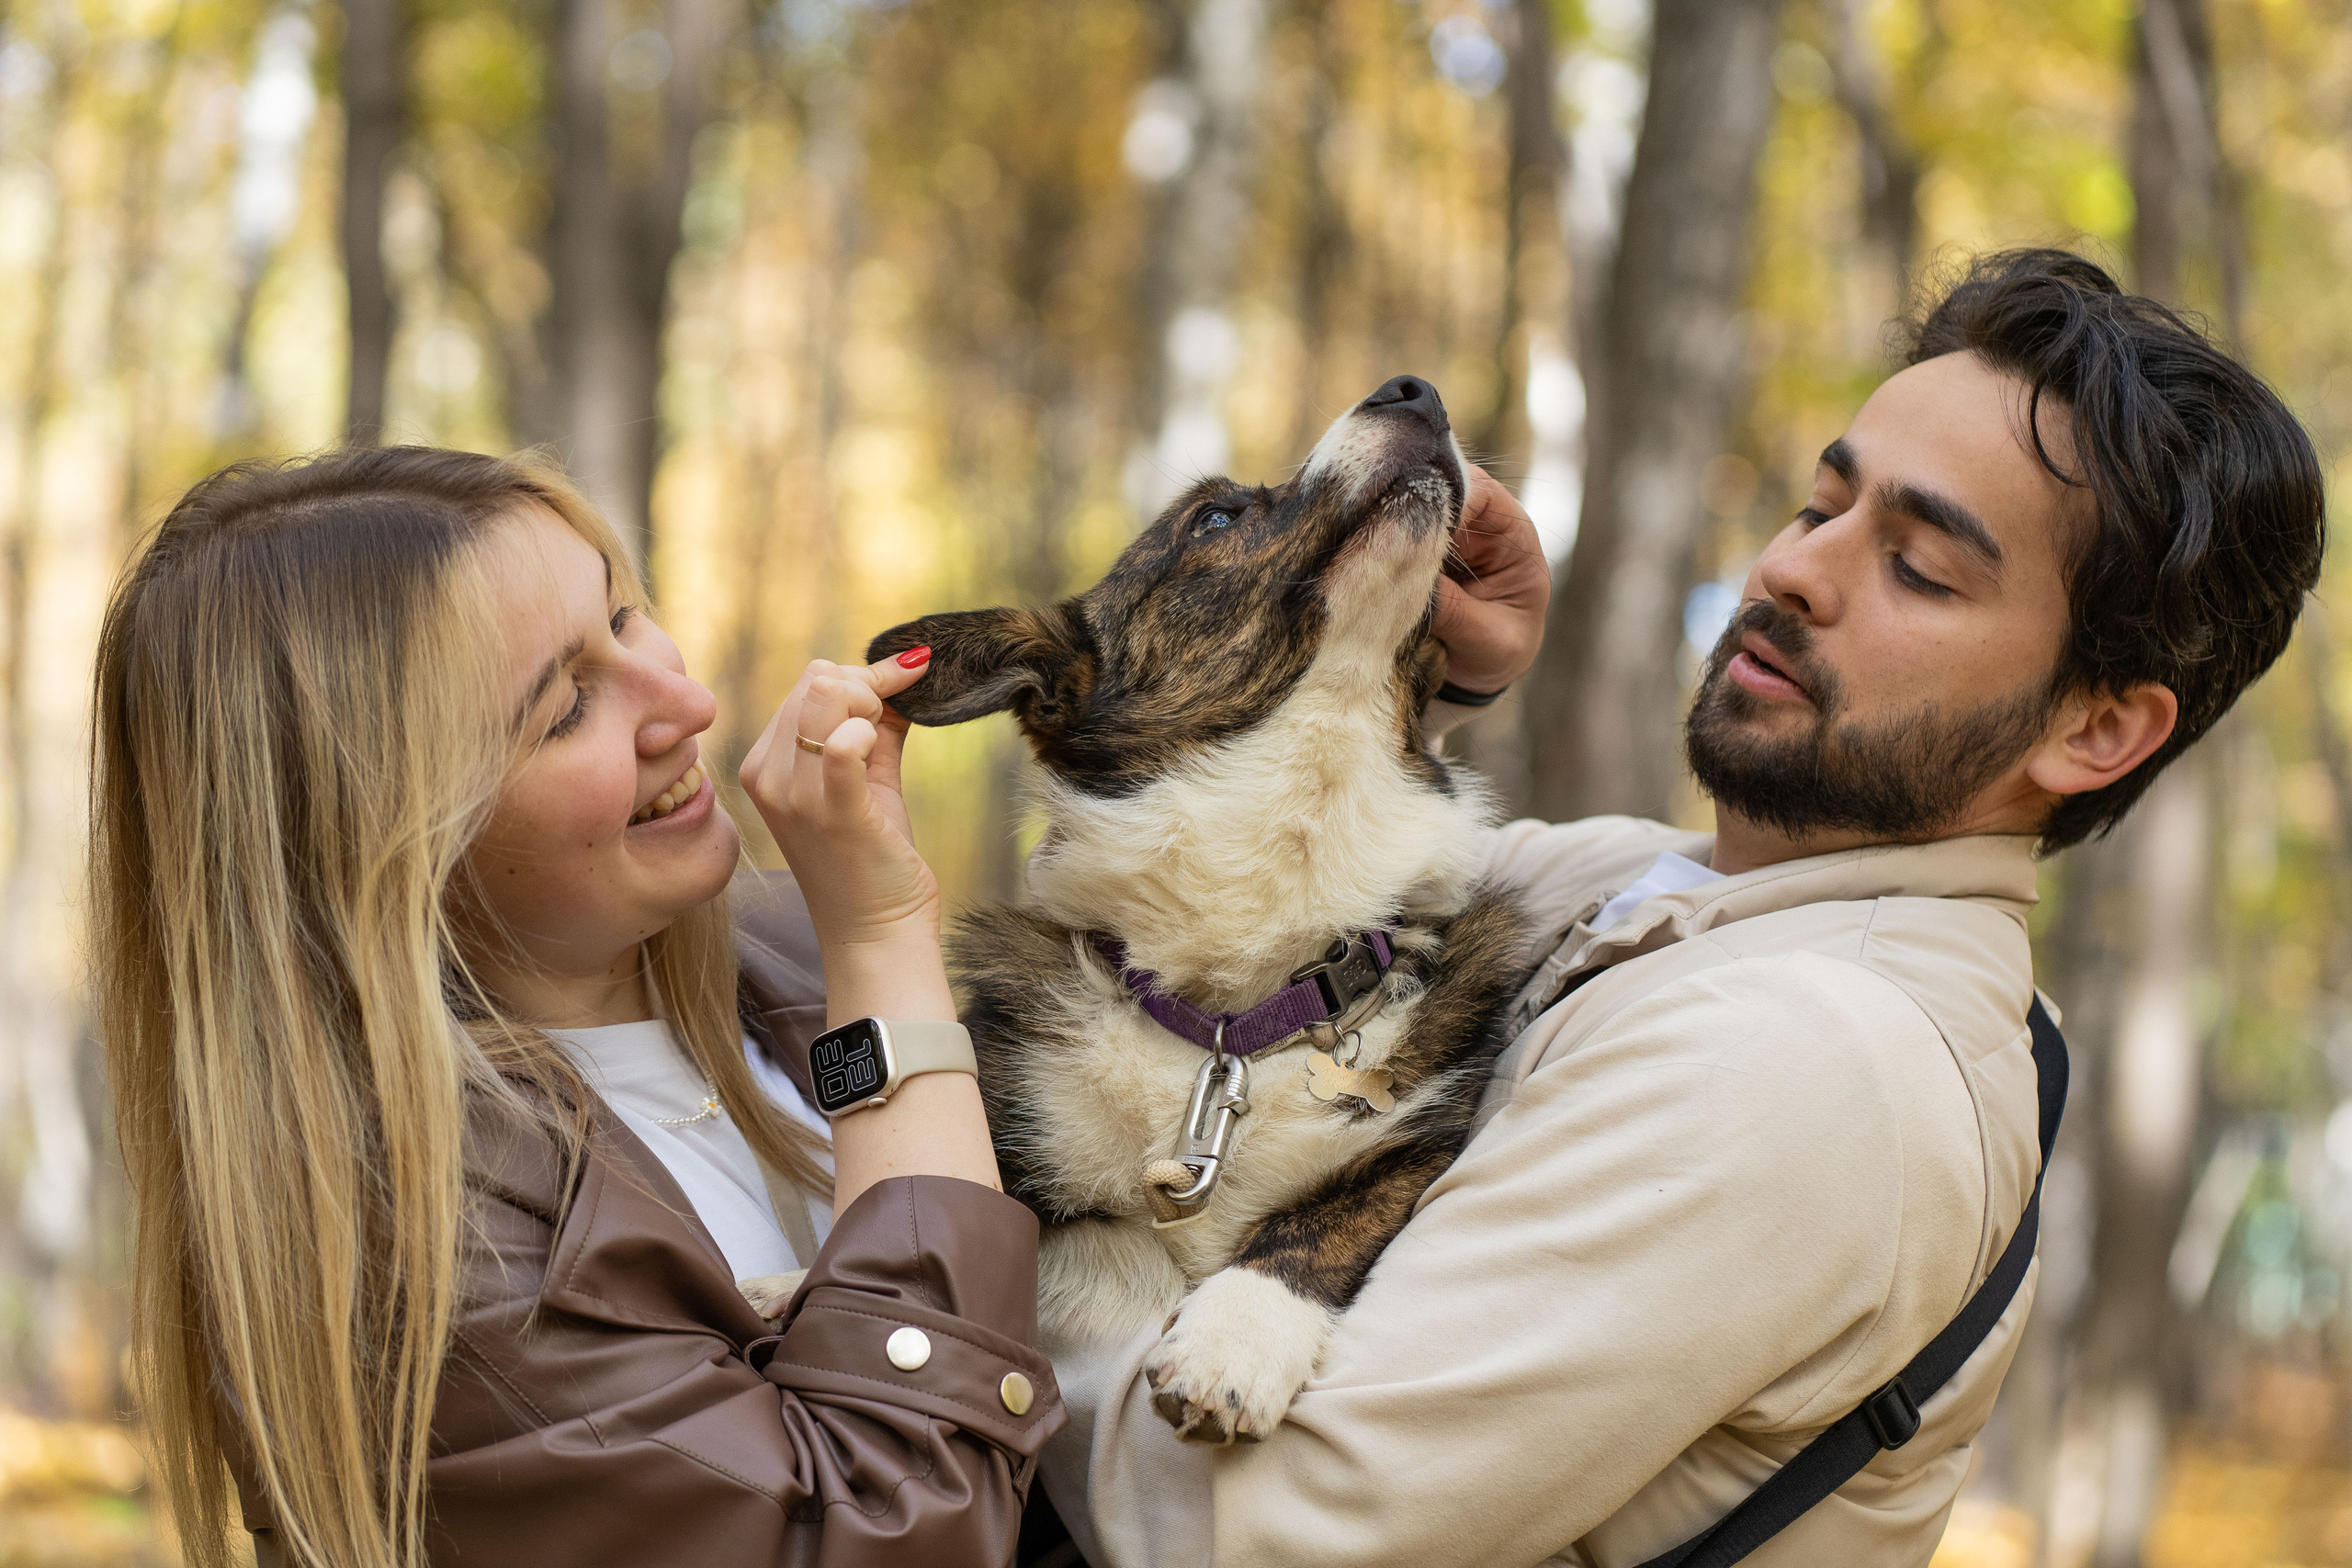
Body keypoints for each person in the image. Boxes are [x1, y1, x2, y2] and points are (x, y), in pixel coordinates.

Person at [1043, 251, 2325, 1566]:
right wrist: (1389, 657)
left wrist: (948, 1226)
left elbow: (1236, 1529)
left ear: (2097, 725)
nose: (1796, 571)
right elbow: (1264, 911)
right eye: (1820, 502)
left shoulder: (1806, 1059)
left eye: (1920, 568)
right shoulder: (1698, 898)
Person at [89, 446, 1064, 1568]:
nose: (687, 704)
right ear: (377, 844)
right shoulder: (417, 1256)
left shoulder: (793, 954)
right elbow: (890, 1538)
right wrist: (884, 947)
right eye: (565, 710)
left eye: (627, 616)